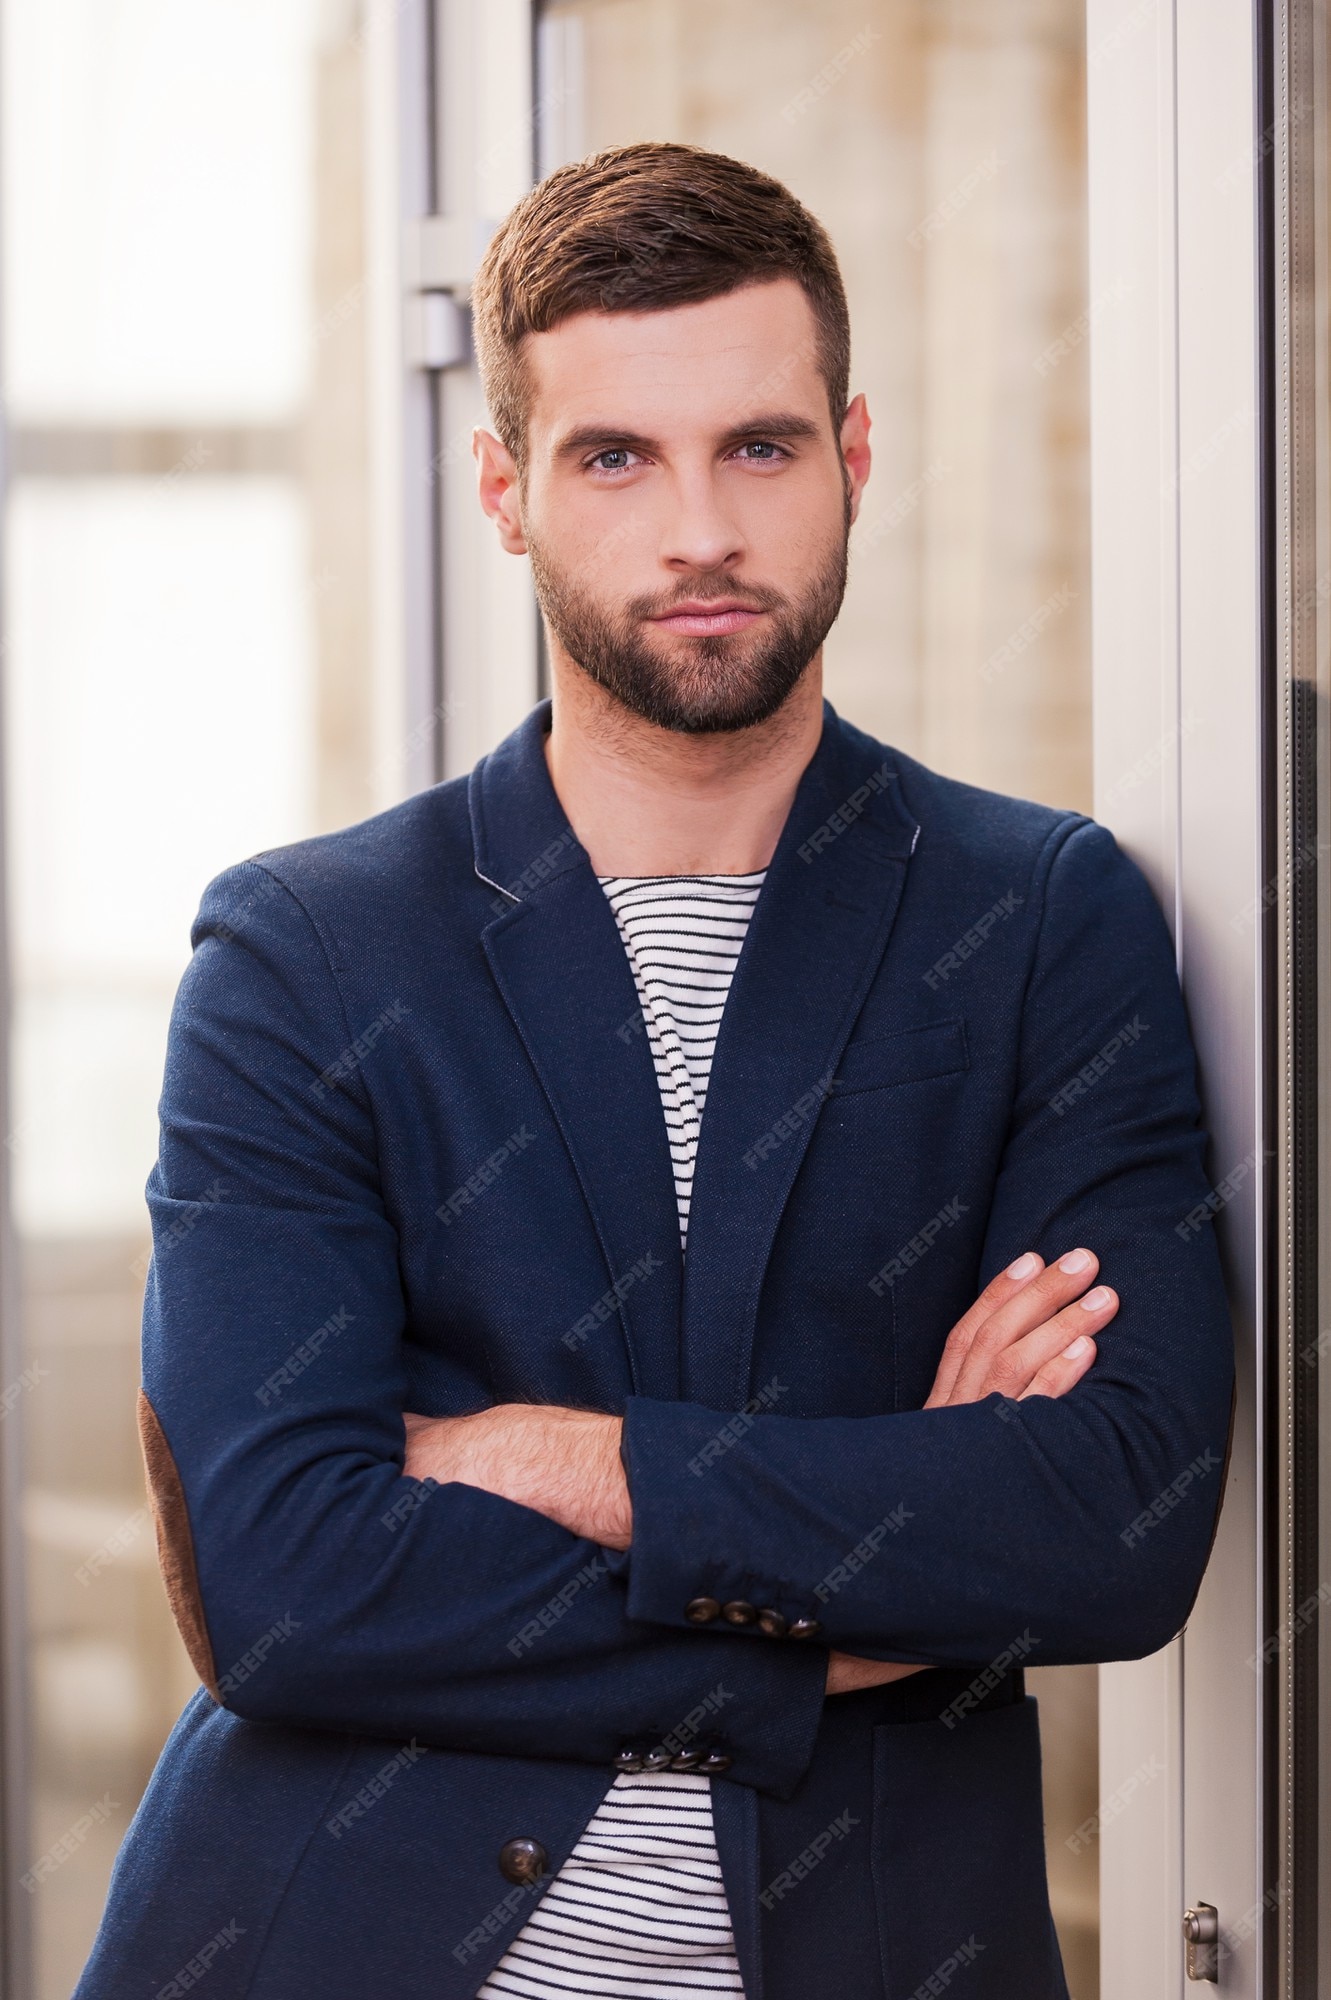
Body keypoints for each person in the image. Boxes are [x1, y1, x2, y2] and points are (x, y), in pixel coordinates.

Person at [75, 141, 1234, 2000]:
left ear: (855, 455)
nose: (700, 528)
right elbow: (284, 1583)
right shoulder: (307, 953)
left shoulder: (1037, 921)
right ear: (506, 488)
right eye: (617, 456)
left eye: (759, 448)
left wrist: (554, 1461)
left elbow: (1111, 1527)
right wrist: (880, 1554)